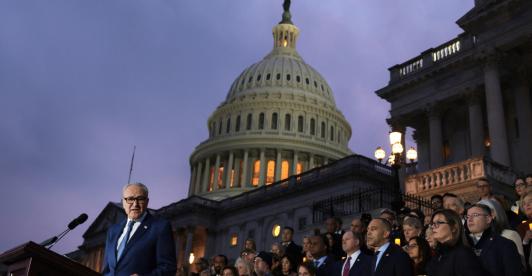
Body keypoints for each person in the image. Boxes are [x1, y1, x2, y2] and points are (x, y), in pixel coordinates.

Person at [102, 182, 176, 275]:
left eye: (140, 199)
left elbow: (168, 267)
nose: (135, 204)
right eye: (130, 199)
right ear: (123, 202)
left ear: (147, 201)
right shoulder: (113, 231)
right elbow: (107, 270)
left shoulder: (160, 227)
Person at [465, 203, 523, 276]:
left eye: (475, 215)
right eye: (467, 216)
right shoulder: (464, 246)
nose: (469, 219)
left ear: (488, 219)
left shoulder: (505, 245)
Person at [426, 209, 485, 276]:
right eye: (433, 224)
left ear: (453, 227)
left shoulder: (463, 254)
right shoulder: (438, 254)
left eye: (438, 223)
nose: (433, 227)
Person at [478, 198, 526, 267]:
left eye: (477, 214)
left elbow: (520, 266)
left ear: (492, 214)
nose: (472, 219)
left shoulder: (510, 235)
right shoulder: (477, 239)